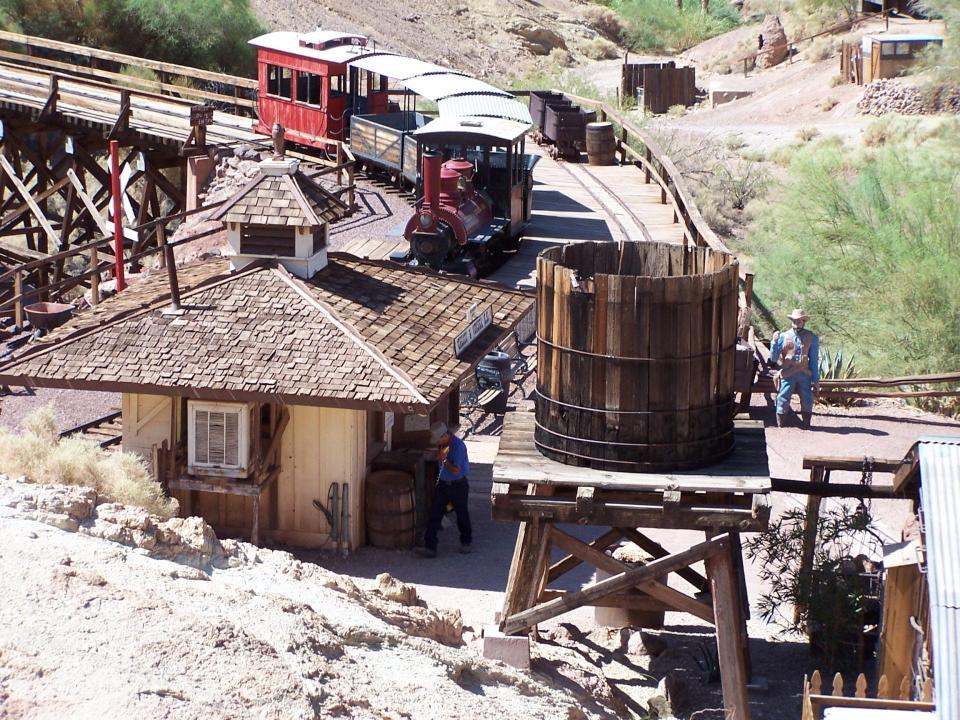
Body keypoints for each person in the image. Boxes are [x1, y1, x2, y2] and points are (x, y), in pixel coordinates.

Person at [415, 422, 472, 558]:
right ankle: (430, 547)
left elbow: (456, 470)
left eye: (438, 440)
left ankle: (466, 542)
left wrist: (444, 461)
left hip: (458, 485)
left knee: (461, 514)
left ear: (445, 435)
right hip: (443, 484)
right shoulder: (444, 444)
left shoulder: (458, 447)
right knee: (435, 513)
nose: (436, 443)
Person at [769, 308, 820, 429]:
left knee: (807, 397)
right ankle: (780, 422)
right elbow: (773, 358)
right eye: (794, 321)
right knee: (783, 396)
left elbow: (813, 360)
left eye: (799, 321)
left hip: (804, 373)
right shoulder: (783, 336)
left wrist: (816, 380)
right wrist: (774, 343)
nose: (797, 323)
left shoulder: (811, 337)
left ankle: (806, 423)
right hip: (788, 373)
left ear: (804, 321)